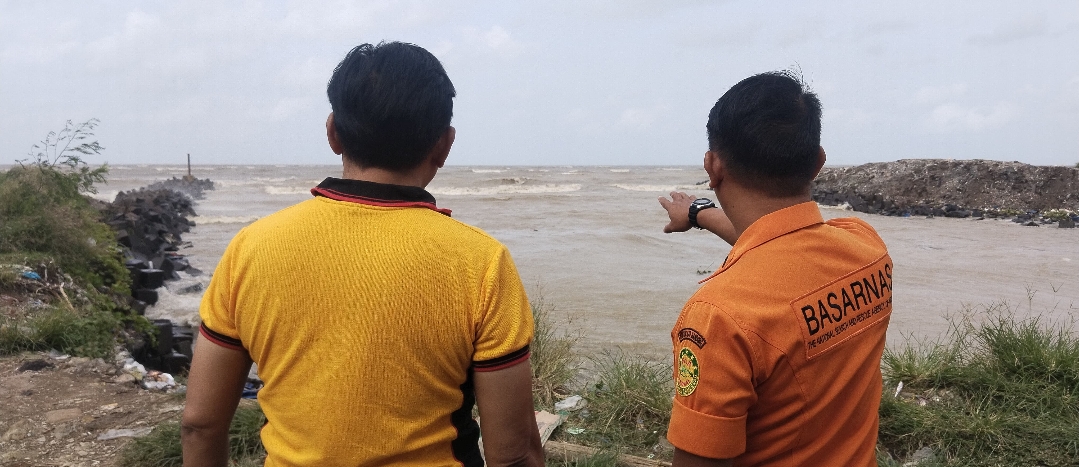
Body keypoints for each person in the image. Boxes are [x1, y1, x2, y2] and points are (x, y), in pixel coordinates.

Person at [181, 42, 544, 467]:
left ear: (332, 132)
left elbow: (200, 424)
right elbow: (514, 454)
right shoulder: (481, 262)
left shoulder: (252, 247)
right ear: (444, 146)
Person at [658, 71, 893, 467]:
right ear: (818, 163)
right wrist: (699, 213)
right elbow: (780, 241)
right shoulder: (865, 246)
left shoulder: (720, 317)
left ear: (712, 167)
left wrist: (701, 210)